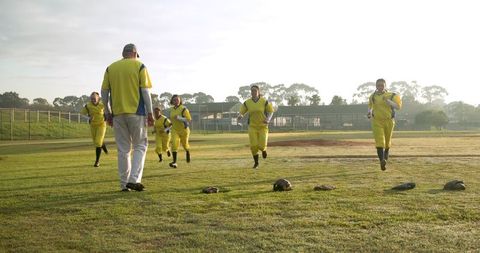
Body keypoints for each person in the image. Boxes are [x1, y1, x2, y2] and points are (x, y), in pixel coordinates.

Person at [101, 43, 154, 192]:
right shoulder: (139, 66)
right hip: (136, 112)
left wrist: (107, 112)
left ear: (123, 53)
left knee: (123, 150)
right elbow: (145, 91)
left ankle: (124, 184)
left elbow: (104, 93)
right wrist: (150, 112)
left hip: (117, 114)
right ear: (135, 53)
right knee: (140, 145)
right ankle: (134, 179)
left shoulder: (110, 68)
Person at [367, 78, 402, 171]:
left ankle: (384, 162)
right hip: (377, 121)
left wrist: (389, 101)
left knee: (387, 143)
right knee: (379, 142)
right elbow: (370, 106)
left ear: (385, 86)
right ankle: (381, 160)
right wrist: (369, 112)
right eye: (378, 85)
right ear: (376, 86)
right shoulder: (372, 96)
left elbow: (398, 107)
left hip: (389, 121)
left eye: (382, 85)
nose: (380, 87)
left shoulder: (392, 95)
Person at [237, 85, 274, 169]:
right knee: (253, 145)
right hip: (252, 126)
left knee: (261, 145)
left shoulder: (264, 101)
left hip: (263, 126)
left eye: (255, 91)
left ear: (258, 92)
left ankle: (264, 150)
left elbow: (271, 111)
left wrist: (268, 119)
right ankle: (256, 163)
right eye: (252, 91)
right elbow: (242, 111)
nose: (253, 92)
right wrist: (240, 115)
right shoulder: (247, 102)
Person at [80, 91, 108, 167]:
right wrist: (88, 118)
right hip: (93, 126)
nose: (93, 100)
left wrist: (108, 118)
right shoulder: (87, 106)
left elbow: (108, 111)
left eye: (95, 98)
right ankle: (103, 145)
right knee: (97, 142)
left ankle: (97, 161)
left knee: (98, 143)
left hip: (101, 125)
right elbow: (82, 114)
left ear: (98, 98)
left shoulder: (102, 105)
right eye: (92, 99)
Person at [168, 94, 192, 168]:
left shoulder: (184, 109)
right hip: (175, 130)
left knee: (185, 145)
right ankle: (174, 162)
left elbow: (189, 119)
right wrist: (167, 128)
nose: (176, 101)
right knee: (174, 144)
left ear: (180, 100)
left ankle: (187, 152)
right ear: (172, 101)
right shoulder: (171, 109)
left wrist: (179, 118)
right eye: (174, 100)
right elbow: (172, 121)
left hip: (184, 130)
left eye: (177, 99)